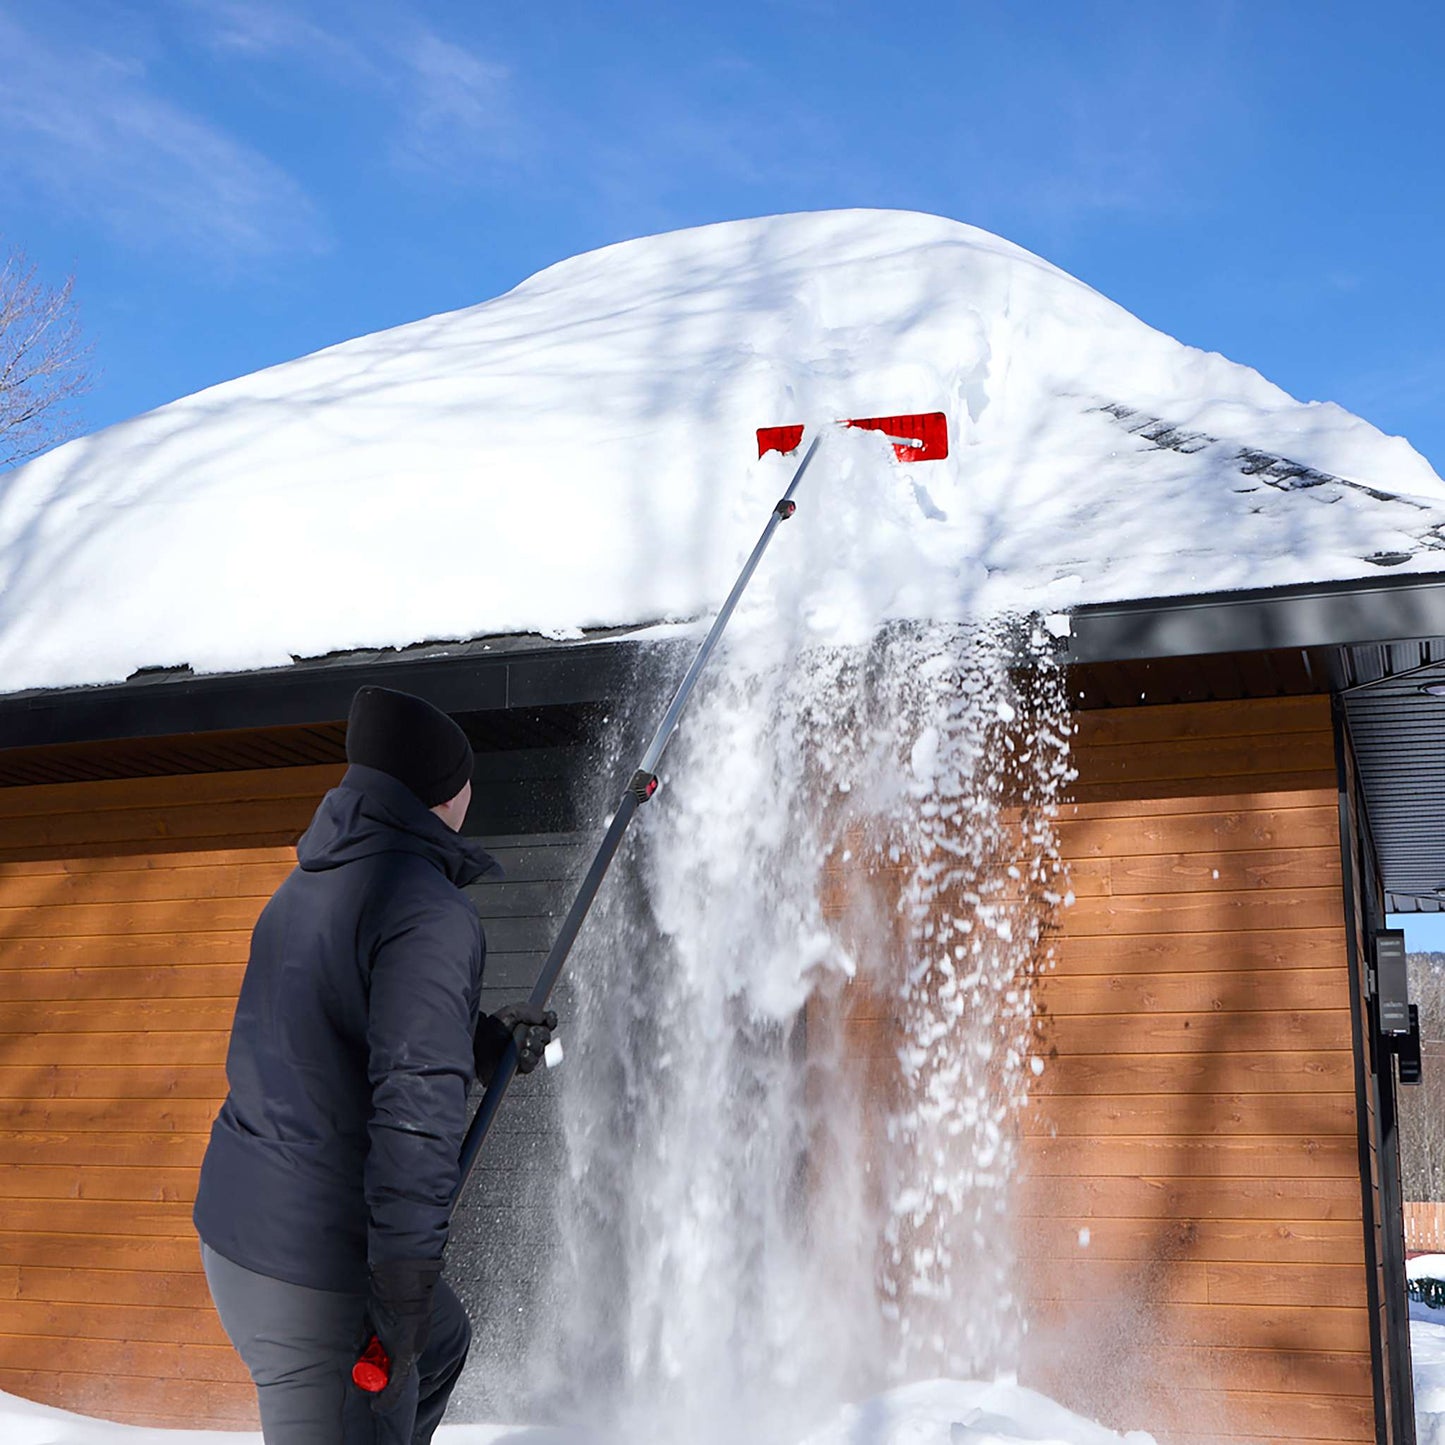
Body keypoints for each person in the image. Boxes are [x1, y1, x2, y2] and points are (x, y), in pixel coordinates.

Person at [194, 685, 557, 1445]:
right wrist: (399, 1290)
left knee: (442, 1341)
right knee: (394, 1363)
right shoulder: (426, 910)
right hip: (316, 1272)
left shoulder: (313, 883)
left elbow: (339, 1032)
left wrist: (483, 1046)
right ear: (443, 792)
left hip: (247, 1235)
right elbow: (412, 1123)